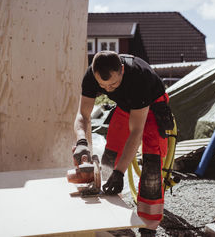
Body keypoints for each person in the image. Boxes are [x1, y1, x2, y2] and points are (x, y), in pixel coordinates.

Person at [73, 51, 173, 236]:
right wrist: (81, 141)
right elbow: (83, 115)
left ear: (122, 70)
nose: (108, 89)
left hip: (151, 105)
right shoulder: (91, 76)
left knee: (151, 165)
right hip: (125, 105)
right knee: (110, 155)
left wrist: (120, 172)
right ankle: (110, 210)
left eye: (113, 84)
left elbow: (136, 131)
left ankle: (148, 226)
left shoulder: (138, 78)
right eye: (103, 86)